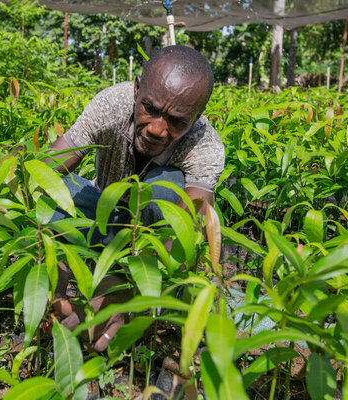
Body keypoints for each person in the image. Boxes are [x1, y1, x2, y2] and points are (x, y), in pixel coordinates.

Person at [45, 45, 225, 351]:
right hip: (104, 213)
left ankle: (138, 291)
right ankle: (60, 290)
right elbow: (56, 161)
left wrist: (132, 291)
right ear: (137, 89)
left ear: (196, 118)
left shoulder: (205, 146)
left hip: (149, 237)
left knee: (166, 187)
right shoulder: (113, 103)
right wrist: (4, 181)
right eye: (150, 109)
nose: (157, 129)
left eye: (177, 121)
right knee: (55, 195)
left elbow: (188, 227)